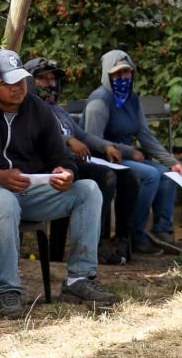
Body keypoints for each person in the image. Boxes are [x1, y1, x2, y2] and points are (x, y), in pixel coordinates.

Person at [0, 49, 119, 316]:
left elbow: (62, 157)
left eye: (21, 81)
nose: (18, 88)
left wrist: (66, 172)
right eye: (9, 83)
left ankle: (79, 279)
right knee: (3, 200)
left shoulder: (37, 108)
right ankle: (10, 291)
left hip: (31, 189)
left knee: (88, 190)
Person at [25, 56, 137, 263]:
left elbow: (83, 136)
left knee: (129, 177)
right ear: (30, 82)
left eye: (52, 79)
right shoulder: (28, 109)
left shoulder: (58, 110)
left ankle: (122, 242)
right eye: (43, 79)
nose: (50, 83)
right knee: (105, 176)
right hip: (49, 166)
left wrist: (106, 146)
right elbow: (34, 135)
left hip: (73, 163)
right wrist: (68, 140)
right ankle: (98, 243)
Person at [83, 50, 182, 255]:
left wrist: (171, 160)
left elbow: (145, 135)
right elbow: (92, 140)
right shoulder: (99, 101)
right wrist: (128, 151)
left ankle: (162, 232)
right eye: (117, 74)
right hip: (105, 160)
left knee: (169, 175)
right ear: (107, 75)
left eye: (126, 73)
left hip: (128, 157)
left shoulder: (132, 99)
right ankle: (134, 235)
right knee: (150, 175)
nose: (122, 78)